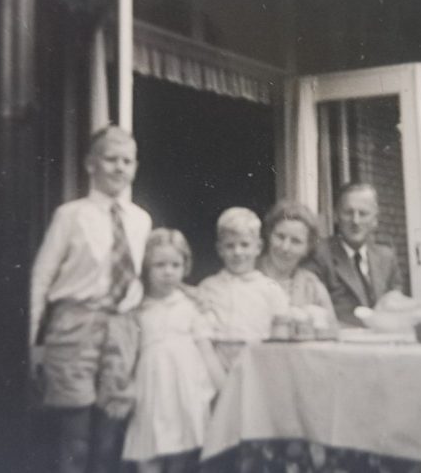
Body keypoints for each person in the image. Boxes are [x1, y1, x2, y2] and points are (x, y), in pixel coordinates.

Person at [30, 125, 152, 473]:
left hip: (123, 329)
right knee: (76, 436)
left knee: (110, 436)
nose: (119, 167)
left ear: (135, 167)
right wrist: (29, 339)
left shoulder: (141, 220)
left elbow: (145, 280)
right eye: (110, 159)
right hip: (76, 326)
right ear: (90, 164)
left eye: (127, 161)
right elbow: (41, 278)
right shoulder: (71, 215)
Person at [122, 229, 225, 473]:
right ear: (146, 267)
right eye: (160, 265)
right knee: (148, 449)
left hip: (186, 389)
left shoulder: (191, 305)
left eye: (175, 265)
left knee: (180, 448)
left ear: (185, 267)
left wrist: (224, 388)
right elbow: (127, 353)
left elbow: (206, 350)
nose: (168, 272)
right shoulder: (138, 307)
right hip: (151, 389)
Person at [198, 207, 289, 367]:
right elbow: (203, 335)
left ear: (258, 247)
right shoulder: (208, 287)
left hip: (259, 361)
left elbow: (280, 334)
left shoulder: (270, 288)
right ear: (220, 249)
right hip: (218, 361)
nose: (237, 252)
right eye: (230, 246)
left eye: (245, 244)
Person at [308, 183, 403, 326]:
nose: (355, 221)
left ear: (375, 219)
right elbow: (315, 313)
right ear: (336, 216)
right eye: (348, 212)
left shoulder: (386, 257)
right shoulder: (319, 255)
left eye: (363, 213)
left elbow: (396, 308)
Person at [259, 200, 336, 326]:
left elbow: (331, 332)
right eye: (280, 236)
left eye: (296, 241)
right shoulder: (247, 274)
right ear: (269, 234)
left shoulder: (312, 286)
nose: (285, 247)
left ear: (308, 248)